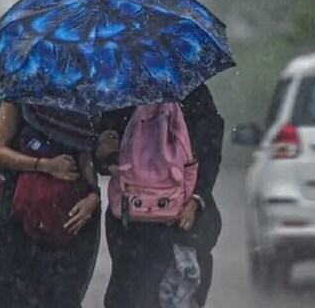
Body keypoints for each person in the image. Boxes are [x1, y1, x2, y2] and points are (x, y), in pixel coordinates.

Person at [96, 84, 224, 308]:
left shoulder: (122, 91)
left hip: (134, 218)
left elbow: (105, 157)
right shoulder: (190, 91)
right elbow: (210, 147)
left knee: (133, 292)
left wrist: (104, 151)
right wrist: (196, 199)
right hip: (172, 220)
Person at [0, 101, 101, 308]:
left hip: (67, 217)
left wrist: (93, 195)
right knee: (15, 295)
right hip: (22, 219)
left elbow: (84, 152)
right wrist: (45, 166)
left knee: (61, 296)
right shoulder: (17, 94)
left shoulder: (77, 97)